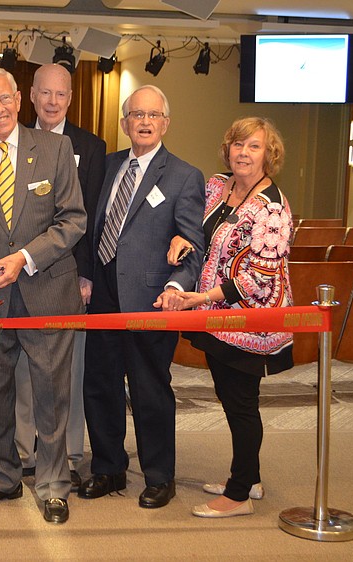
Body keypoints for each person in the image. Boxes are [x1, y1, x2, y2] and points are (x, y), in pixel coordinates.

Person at [0, 68, 86, 525]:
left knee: (51, 394)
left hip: (48, 291)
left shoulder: (55, 148)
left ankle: (52, 483)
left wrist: (26, 256)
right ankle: (1, 476)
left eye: (5, 99)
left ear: (19, 99)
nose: (0, 109)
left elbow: (72, 220)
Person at [80, 85, 204, 509]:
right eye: (137, 115)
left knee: (150, 389)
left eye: (154, 115)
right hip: (102, 295)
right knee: (99, 385)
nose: (145, 122)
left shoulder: (185, 176)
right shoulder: (108, 165)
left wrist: (176, 286)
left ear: (166, 123)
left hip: (152, 299)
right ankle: (108, 467)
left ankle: (158, 475)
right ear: (124, 123)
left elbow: (191, 243)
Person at [164, 117, 294, 518]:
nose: (243, 153)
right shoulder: (218, 186)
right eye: (238, 144)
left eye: (254, 146)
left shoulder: (273, 207)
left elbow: (258, 277)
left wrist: (201, 297)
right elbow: (200, 232)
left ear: (268, 154)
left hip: (249, 322)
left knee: (241, 402)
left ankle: (238, 495)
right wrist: (182, 236)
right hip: (216, 317)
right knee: (232, 397)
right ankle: (249, 476)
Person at [9, 63, 106, 489]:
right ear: (31, 96)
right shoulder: (14, 139)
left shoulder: (91, 145)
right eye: (45, 93)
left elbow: (92, 217)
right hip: (21, 275)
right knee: (22, 373)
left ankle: (69, 453)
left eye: (60, 95)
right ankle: (23, 453)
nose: (52, 102)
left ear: (70, 98)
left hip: (67, 274)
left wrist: (86, 275)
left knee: (67, 371)